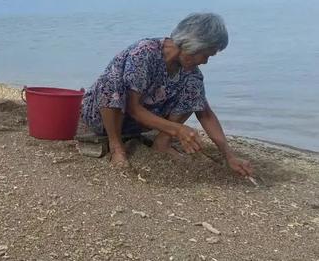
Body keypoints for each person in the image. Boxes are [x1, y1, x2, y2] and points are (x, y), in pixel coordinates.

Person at [81, 12, 253, 177]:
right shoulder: (144, 53)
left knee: (193, 89)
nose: (205, 61)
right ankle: (116, 145)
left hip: (139, 125)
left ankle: (162, 142)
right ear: (193, 45)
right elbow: (133, 108)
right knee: (111, 81)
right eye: (206, 55)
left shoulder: (191, 73)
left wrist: (229, 156)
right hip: (103, 118)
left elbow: (205, 114)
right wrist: (177, 129)